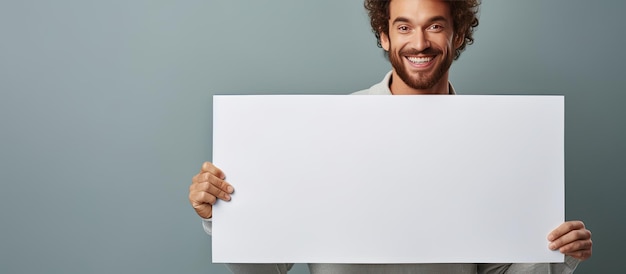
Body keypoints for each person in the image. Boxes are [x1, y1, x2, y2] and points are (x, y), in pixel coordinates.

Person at [188, 0, 593, 273]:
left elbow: (499, 270)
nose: (419, 43)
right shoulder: (324, 128)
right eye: (404, 27)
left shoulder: (493, 140)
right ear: (385, 36)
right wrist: (220, 216)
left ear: (458, 35)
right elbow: (268, 267)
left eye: (435, 26)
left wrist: (559, 255)